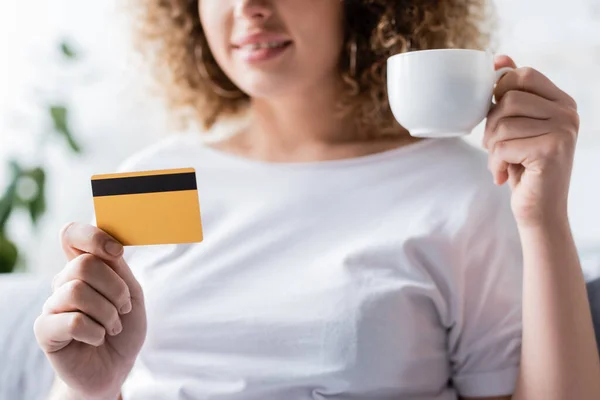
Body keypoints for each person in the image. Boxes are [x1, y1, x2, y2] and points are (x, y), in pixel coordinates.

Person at [34, 0, 600, 399]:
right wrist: (93, 389)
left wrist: (543, 218)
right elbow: (92, 381)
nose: (248, 5)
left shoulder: (463, 185)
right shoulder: (153, 178)